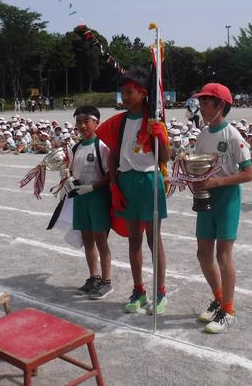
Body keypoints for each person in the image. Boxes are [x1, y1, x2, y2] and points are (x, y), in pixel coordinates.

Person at [96, 67, 170, 316]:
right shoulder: (121, 121)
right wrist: (115, 185)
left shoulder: (154, 120)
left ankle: (160, 291)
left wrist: (160, 136)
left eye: (129, 92)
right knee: (134, 239)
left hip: (149, 181)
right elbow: (115, 154)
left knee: (153, 239)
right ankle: (139, 290)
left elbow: (165, 157)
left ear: (142, 93)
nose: (124, 97)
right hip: (126, 182)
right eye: (122, 92)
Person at [191, 83, 252, 333]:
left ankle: (228, 310)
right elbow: (198, 169)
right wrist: (193, 182)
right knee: (203, 253)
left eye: (206, 102)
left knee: (223, 255)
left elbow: (248, 173)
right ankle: (218, 299)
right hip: (206, 197)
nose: (201, 107)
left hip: (227, 197)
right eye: (201, 102)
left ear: (220, 106)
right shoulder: (202, 136)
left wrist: (218, 182)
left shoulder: (233, 135)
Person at [67, 105, 114, 299]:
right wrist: (68, 179)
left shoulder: (102, 146)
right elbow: (72, 170)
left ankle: (106, 281)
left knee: (101, 240)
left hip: (98, 197)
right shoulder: (76, 147)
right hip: (81, 197)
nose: (82, 125)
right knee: (87, 240)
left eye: (87, 121)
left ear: (97, 123)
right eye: (78, 122)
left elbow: (111, 174)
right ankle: (93, 277)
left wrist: (94, 187)